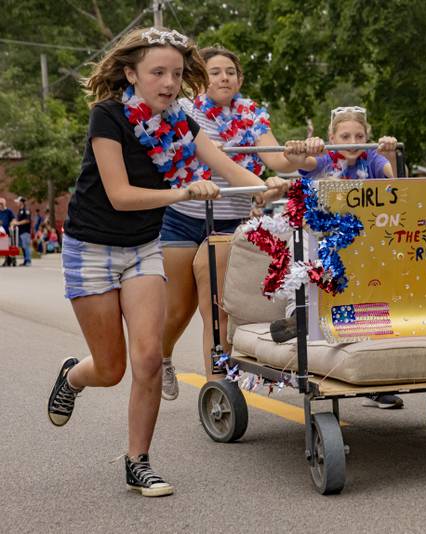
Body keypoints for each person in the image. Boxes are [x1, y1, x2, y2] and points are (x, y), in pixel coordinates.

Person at [45, 26, 286, 498]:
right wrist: (183, 191)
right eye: (158, 72)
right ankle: (73, 375)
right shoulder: (108, 117)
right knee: (110, 368)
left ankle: (139, 462)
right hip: (91, 247)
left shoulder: (180, 123)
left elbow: (224, 164)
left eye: (176, 73)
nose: (170, 82)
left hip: (143, 248)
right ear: (131, 73)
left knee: (150, 358)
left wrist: (266, 187)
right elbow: (119, 194)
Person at [159, 46, 302, 400]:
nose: (225, 77)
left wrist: (294, 158)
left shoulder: (250, 113)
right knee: (179, 309)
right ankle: (163, 356)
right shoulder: (187, 110)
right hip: (182, 220)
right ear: (201, 78)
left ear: (240, 78)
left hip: (228, 222)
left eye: (231, 72)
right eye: (216, 71)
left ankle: (218, 387)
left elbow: (276, 158)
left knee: (218, 308)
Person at [272, 106, 404, 409]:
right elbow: (298, 163)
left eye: (360, 135)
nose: (353, 140)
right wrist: (298, 150)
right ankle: (299, 314)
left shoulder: (371, 158)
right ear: (332, 137)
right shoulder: (323, 157)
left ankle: (373, 380)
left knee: (367, 290)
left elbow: (392, 181)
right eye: (345, 135)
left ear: (368, 137)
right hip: (321, 237)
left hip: (361, 242)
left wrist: (390, 151)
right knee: (305, 251)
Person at [11, 196, 31, 266]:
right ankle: (25, 261)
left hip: (25, 231)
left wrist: (17, 223)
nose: (17, 203)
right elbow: (18, 220)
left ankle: (28, 261)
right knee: (22, 246)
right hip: (20, 232)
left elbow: (27, 220)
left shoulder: (26, 210)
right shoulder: (20, 211)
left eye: (18, 202)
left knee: (26, 246)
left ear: (21, 202)